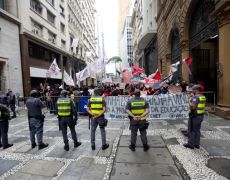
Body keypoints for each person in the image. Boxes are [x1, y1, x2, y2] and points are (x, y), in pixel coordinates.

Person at [183, 85, 206, 149]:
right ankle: (196, 144)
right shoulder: (202, 96)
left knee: (191, 130)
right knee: (197, 130)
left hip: (194, 116)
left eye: (192, 89)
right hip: (200, 115)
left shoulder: (196, 97)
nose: (191, 90)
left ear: (195, 90)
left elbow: (193, 107)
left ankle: (190, 144)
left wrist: (189, 101)